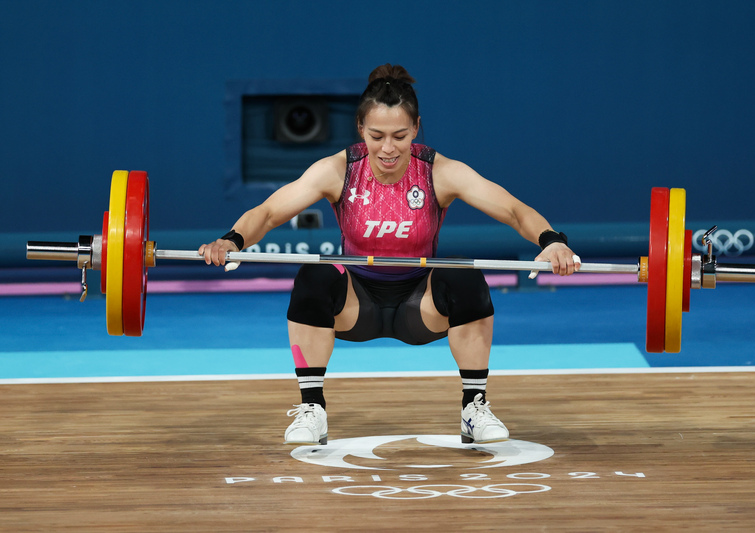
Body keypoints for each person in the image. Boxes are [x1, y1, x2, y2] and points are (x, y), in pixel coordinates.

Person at [199, 64, 580, 446]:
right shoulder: (338, 170)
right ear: (360, 129)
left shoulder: (439, 172)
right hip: (356, 305)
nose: (387, 148)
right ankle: (312, 409)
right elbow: (267, 213)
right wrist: (232, 240)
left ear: (416, 128)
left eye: (399, 135)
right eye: (377, 135)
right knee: (313, 275)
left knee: (465, 274)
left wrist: (551, 240)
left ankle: (474, 407)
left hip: (421, 306)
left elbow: (514, 210)